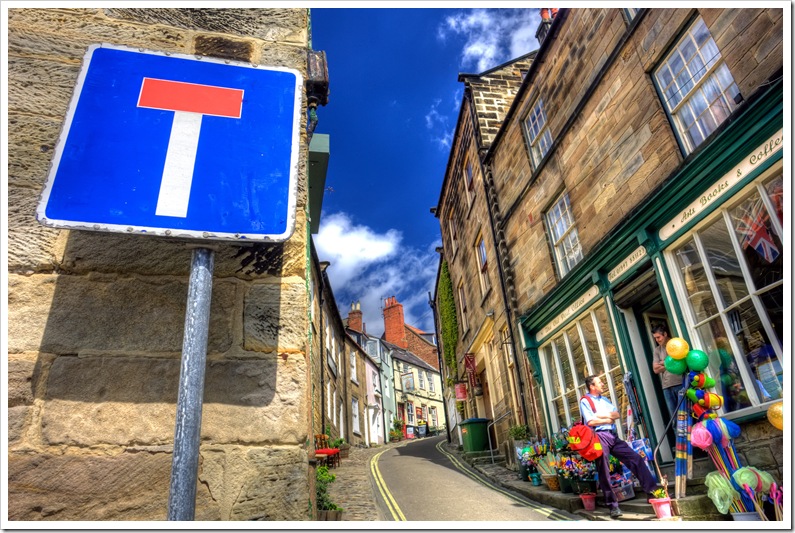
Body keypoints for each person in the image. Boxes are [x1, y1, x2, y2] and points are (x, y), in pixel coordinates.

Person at [581, 375, 665, 518]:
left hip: (613, 436)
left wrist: (602, 416)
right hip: (599, 437)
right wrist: (608, 418)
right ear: (592, 387)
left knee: (635, 459)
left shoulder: (605, 399)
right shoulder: (585, 401)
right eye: (599, 382)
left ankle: (651, 491)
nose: (603, 384)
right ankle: (613, 506)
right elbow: (590, 421)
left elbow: (617, 414)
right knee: (604, 471)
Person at [651, 324, 681, 418]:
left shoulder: (675, 345)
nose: (657, 340)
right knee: (674, 418)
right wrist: (669, 363)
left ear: (665, 334)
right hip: (666, 386)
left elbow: (679, 363)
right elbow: (655, 369)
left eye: (658, 337)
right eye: (655, 338)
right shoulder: (657, 350)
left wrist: (663, 363)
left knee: (685, 414)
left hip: (679, 383)